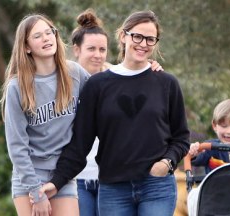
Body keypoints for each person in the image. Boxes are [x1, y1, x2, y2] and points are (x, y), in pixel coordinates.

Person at [37, 10, 190, 216]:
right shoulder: (97, 86)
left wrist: (166, 163)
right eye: (137, 36)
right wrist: (56, 182)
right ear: (123, 36)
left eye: (150, 39)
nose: (143, 43)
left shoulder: (166, 83)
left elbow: (180, 138)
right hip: (113, 189)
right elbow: (79, 145)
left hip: (157, 187)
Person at [70, 8, 163, 216]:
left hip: (111, 178)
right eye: (91, 49)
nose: (97, 55)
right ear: (77, 50)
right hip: (77, 177)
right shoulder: (63, 84)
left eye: (102, 50)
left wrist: (150, 69)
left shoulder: (117, 80)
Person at [0, 14, 90, 216]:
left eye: (49, 32)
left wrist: (146, 69)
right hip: (29, 178)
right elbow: (17, 146)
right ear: (26, 47)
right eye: (38, 36)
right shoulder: (17, 87)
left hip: (62, 175)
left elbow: (104, 90)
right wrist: (36, 192)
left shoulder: (74, 73)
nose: (46, 38)